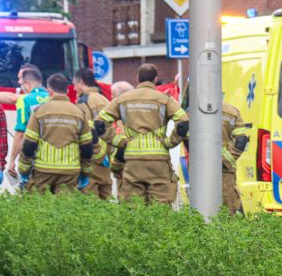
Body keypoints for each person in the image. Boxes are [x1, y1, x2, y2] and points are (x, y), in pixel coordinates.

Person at [98, 64, 187, 204]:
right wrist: (170, 142)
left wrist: (119, 142)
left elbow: (100, 123)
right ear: (155, 79)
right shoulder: (165, 99)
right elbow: (183, 123)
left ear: (137, 78)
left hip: (133, 161)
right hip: (158, 161)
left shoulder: (122, 99)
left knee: (133, 207)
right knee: (160, 208)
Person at [16, 73, 95, 194]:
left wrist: (23, 170)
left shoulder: (39, 112)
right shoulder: (79, 113)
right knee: (64, 210)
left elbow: (29, 145)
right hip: (69, 172)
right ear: (67, 91)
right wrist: (85, 173)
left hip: (43, 171)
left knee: (40, 209)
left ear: (49, 91)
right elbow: (87, 148)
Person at [73, 67, 114, 200]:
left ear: (81, 82)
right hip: (106, 157)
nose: (74, 88)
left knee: (90, 203)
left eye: (75, 83)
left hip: (92, 158)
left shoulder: (83, 101)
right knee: (106, 199)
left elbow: (84, 131)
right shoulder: (104, 99)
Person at [6, 66, 48, 180]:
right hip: (55, 158)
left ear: (28, 84)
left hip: (34, 159)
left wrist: (12, 161)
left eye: (22, 85)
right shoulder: (52, 98)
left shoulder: (24, 100)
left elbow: (20, 133)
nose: (22, 88)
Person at [220, 102, 251, 213]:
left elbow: (185, 135)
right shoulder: (231, 112)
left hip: (201, 171)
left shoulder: (193, 111)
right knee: (229, 210)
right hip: (225, 171)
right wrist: (225, 160)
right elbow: (241, 141)